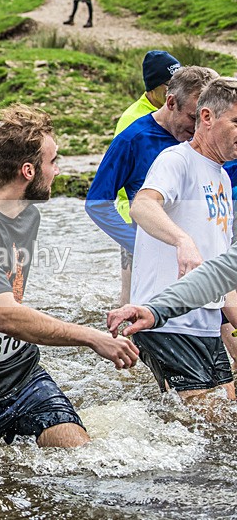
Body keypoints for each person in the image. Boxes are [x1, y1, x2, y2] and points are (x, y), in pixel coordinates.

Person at [0, 104, 139, 447]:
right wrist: (91, 337)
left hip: (23, 374)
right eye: (53, 161)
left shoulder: (28, 214)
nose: (57, 170)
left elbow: (12, 296)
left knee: (80, 451)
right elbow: (7, 317)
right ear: (28, 170)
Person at [108, 77, 237, 405]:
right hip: (165, 319)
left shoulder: (221, 176)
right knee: (205, 421)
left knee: (224, 419)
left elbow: (224, 267)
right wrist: (182, 240)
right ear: (206, 118)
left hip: (205, 323)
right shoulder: (177, 160)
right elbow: (142, 204)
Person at [85, 66, 218, 296]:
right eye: (192, 118)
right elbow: (97, 203)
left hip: (200, 253)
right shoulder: (133, 139)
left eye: (203, 119)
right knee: (136, 317)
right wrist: (138, 243)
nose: (197, 129)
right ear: (170, 102)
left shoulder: (206, 138)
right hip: (151, 254)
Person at [102, 50, 182, 306]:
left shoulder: (177, 111)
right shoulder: (132, 120)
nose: (177, 91)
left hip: (167, 215)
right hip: (134, 218)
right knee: (131, 297)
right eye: (171, 86)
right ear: (154, 87)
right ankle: (119, 343)